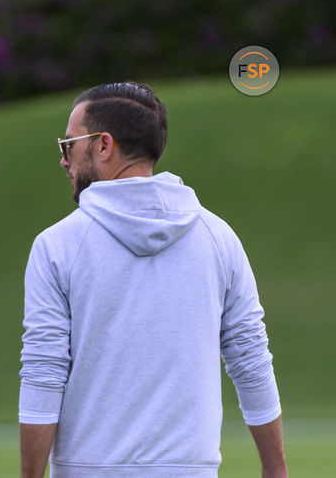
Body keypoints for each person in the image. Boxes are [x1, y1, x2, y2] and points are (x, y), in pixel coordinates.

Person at [18, 82, 287, 478]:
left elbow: (44, 372)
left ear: (103, 145)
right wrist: (276, 470)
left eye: (68, 145)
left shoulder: (57, 245)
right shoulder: (218, 237)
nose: (64, 160)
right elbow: (250, 360)